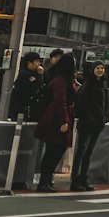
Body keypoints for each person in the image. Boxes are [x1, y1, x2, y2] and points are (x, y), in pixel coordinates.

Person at [36, 52, 76, 192]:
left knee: (55, 150)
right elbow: (60, 101)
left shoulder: (61, 79)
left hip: (56, 117)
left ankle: (47, 179)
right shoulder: (61, 80)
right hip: (56, 119)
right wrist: (64, 121)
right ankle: (44, 181)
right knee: (54, 150)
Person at [71, 61, 109, 191]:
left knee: (88, 153)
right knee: (81, 152)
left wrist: (104, 118)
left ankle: (83, 179)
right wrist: (88, 117)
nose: (100, 70)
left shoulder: (103, 84)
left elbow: (104, 103)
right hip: (87, 123)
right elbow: (80, 103)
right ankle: (75, 181)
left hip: (97, 124)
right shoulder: (88, 84)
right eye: (98, 68)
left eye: (102, 68)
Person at [9, 53, 46, 122]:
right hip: (21, 107)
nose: (39, 64)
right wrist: (40, 75)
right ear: (29, 63)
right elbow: (36, 86)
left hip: (26, 107)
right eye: (37, 61)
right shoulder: (25, 74)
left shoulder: (33, 74)